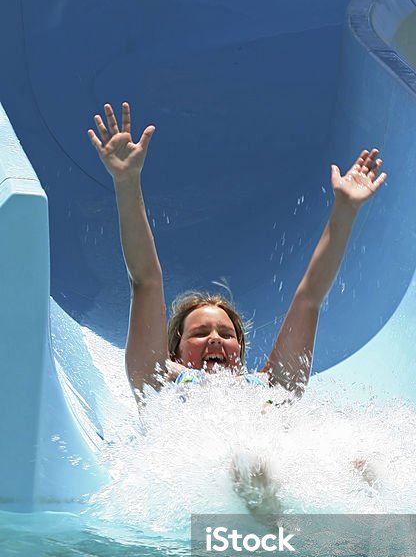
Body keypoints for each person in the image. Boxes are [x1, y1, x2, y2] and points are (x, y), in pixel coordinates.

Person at [88, 102, 387, 402]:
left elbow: (309, 298)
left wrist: (344, 210)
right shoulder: (157, 386)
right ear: (174, 352)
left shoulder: (271, 389)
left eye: (227, 335)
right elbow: (145, 279)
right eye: (200, 333)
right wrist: (126, 182)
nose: (215, 339)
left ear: (241, 352)